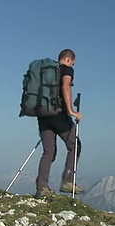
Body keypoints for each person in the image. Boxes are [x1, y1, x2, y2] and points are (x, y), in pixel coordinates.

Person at [35, 49, 83, 197]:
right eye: (73, 63)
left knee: (48, 152)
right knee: (75, 145)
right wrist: (71, 110)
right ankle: (67, 181)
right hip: (58, 115)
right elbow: (66, 86)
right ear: (69, 60)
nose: (73, 65)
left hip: (43, 115)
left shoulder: (46, 73)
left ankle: (42, 188)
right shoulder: (66, 69)